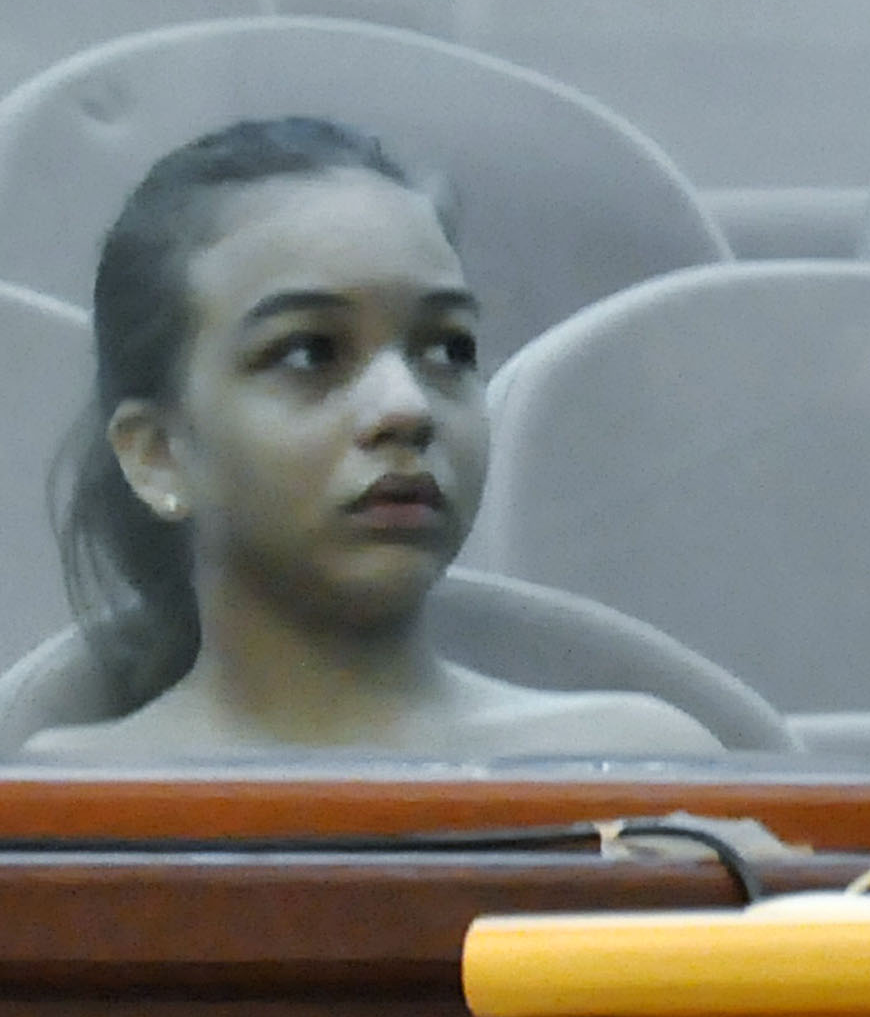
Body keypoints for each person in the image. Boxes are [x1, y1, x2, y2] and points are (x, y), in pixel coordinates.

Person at [20, 118, 719, 767]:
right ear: (158, 454)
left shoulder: (641, 768)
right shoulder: (60, 806)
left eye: (447, 349)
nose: (408, 407)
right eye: (308, 354)